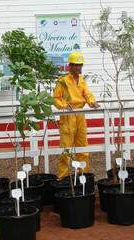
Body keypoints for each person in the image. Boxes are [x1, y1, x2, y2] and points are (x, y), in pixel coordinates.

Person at [53, 51, 100, 180]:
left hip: (80, 115)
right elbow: (56, 98)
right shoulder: (62, 81)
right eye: (77, 65)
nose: (79, 67)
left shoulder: (82, 80)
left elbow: (87, 94)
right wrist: (64, 105)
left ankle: (83, 174)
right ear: (70, 65)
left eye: (81, 65)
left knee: (83, 146)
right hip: (68, 116)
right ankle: (62, 177)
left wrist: (92, 102)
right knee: (66, 149)